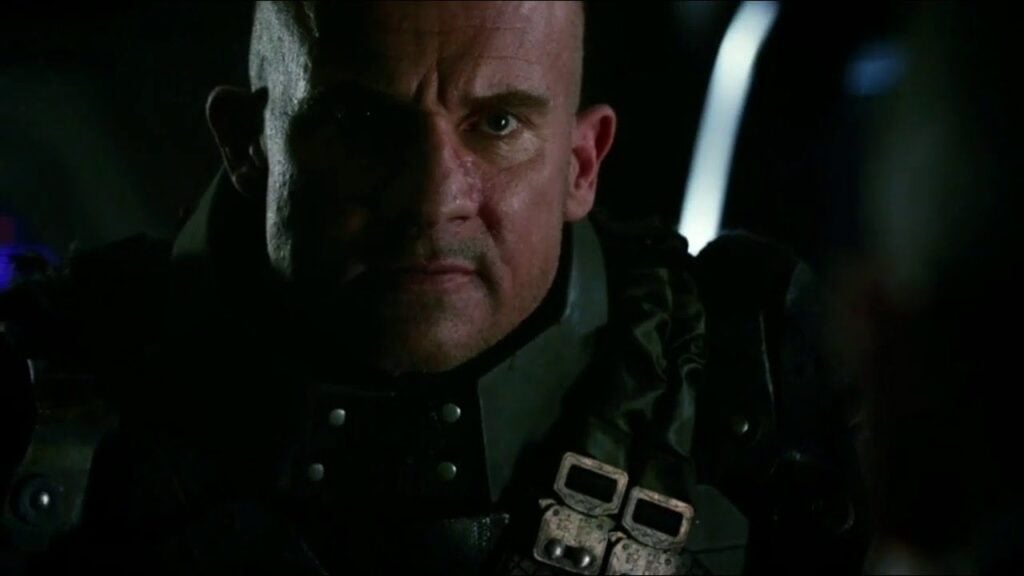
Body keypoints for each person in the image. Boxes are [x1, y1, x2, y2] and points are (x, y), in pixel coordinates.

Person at [0, 2, 867, 574]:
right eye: (361, 123)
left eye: (498, 123)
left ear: (581, 162)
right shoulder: (43, 395)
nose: (432, 198)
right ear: (247, 143)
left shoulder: (756, 395)